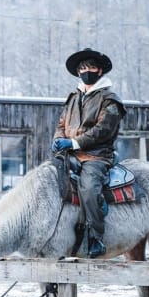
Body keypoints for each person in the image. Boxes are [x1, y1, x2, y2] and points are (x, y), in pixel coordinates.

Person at [52, 48, 126, 258]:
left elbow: (103, 130)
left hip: (97, 155)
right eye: (82, 68)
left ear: (100, 71)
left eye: (91, 67)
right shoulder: (74, 98)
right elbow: (61, 123)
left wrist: (74, 142)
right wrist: (58, 140)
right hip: (71, 152)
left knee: (89, 189)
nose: (87, 71)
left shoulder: (110, 99)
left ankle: (96, 236)